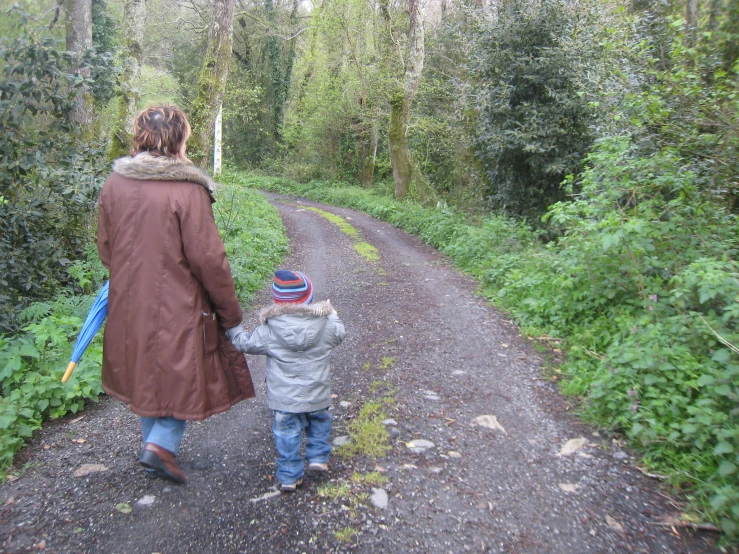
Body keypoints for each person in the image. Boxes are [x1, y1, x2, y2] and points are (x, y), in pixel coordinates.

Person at [97, 105, 255, 485]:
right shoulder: (188, 190)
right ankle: (161, 447)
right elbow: (209, 260)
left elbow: (106, 247)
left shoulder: (114, 184)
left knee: (145, 372)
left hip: (128, 300)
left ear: (139, 135)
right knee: (182, 374)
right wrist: (230, 315)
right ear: (180, 138)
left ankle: (154, 446)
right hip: (178, 305)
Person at [226, 270, 346, 492]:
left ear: (277, 301)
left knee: (287, 435)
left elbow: (245, 343)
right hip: (317, 394)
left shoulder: (269, 328)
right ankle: (318, 456)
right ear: (308, 298)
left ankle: (290, 477)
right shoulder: (325, 324)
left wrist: (232, 328)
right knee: (320, 422)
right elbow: (340, 333)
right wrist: (332, 313)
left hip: (284, 400)